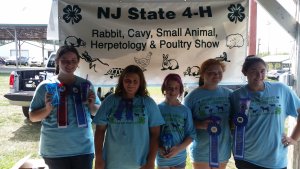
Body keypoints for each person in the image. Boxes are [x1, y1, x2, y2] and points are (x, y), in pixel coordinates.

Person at [29, 45, 100, 169]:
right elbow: (32, 117)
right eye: (64, 60)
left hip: (84, 149)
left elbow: (96, 112)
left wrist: (92, 105)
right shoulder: (45, 86)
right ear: (57, 61)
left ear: (78, 62)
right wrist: (47, 110)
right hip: (54, 150)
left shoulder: (86, 85)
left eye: (73, 61)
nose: (69, 64)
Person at [230, 55, 300, 169]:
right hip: (246, 158)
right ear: (245, 72)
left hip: (275, 159)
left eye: (262, 71)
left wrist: (294, 138)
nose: (259, 75)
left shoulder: (281, 89)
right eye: (254, 71)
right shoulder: (236, 96)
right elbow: (231, 124)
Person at [93, 64, 165, 169]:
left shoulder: (148, 103)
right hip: (112, 163)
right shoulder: (110, 101)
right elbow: (100, 131)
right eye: (127, 80)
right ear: (122, 80)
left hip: (140, 164)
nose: (131, 84)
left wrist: (150, 161)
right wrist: (99, 158)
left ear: (140, 83)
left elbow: (155, 134)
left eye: (135, 81)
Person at [183, 59, 232, 169]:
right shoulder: (191, 97)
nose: (216, 75)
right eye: (211, 72)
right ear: (202, 74)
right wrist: (200, 124)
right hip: (201, 150)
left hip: (223, 150)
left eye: (219, 72)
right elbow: (183, 122)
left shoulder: (229, 94)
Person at [156, 73, 196, 169]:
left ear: (180, 90)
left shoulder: (185, 110)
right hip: (162, 159)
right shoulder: (157, 109)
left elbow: (191, 135)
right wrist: (159, 148)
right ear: (164, 88)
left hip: (179, 159)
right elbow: (151, 134)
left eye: (176, 88)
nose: (173, 90)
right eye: (170, 87)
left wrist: (178, 149)